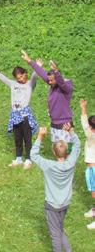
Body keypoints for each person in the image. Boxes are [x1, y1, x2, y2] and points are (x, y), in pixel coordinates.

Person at [30, 125, 80, 251]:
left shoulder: (48, 165)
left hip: (52, 205)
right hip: (65, 203)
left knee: (55, 234)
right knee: (60, 228)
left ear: (53, 152)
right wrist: (70, 131)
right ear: (67, 151)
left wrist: (40, 137)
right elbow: (77, 144)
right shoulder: (71, 162)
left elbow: (34, 155)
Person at [0, 59, 41, 169]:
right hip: (14, 115)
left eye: (22, 77)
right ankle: (18, 158)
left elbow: (34, 77)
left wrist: (36, 66)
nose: (21, 80)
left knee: (27, 138)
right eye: (18, 78)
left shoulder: (29, 85)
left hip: (25, 115)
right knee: (17, 138)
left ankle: (28, 159)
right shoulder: (13, 84)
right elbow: (3, 78)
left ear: (24, 74)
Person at [22, 50, 73, 143]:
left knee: (67, 150)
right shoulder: (53, 84)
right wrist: (29, 60)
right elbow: (42, 72)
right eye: (48, 80)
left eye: (51, 80)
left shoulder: (66, 87)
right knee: (57, 150)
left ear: (57, 78)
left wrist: (56, 71)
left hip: (65, 124)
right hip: (54, 123)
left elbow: (61, 82)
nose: (49, 82)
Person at [80, 99, 95, 229]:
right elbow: (85, 122)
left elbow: (84, 123)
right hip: (91, 169)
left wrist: (83, 108)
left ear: (91, 127)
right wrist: (84, 108)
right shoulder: (91, 132)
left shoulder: (91, 135)